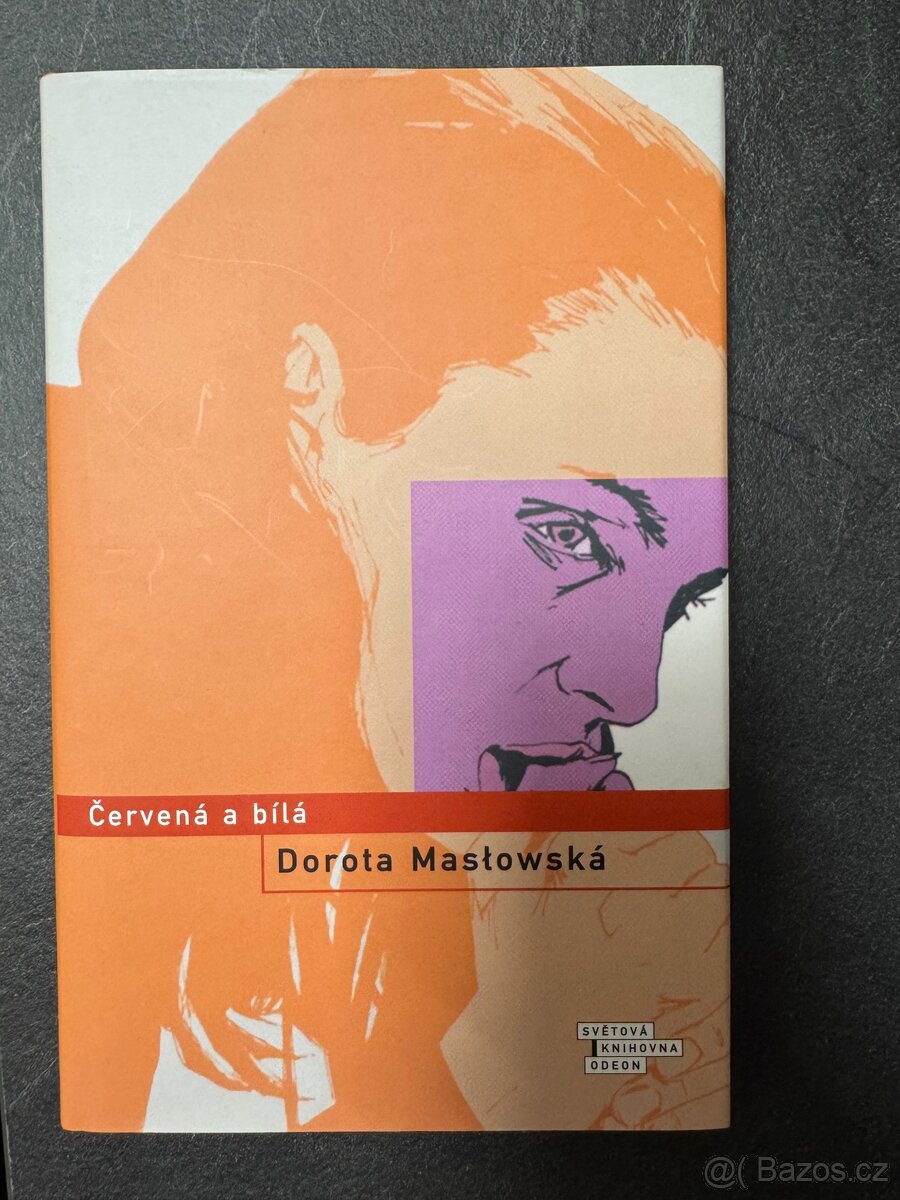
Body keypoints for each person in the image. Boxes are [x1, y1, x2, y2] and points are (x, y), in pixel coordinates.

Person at [54, 67, 729, 1131]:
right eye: (567, 535)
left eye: (680, 598)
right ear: (309, 387)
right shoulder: (82, 628)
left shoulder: (482, 820)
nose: (631, 693)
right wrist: (520, 1077)